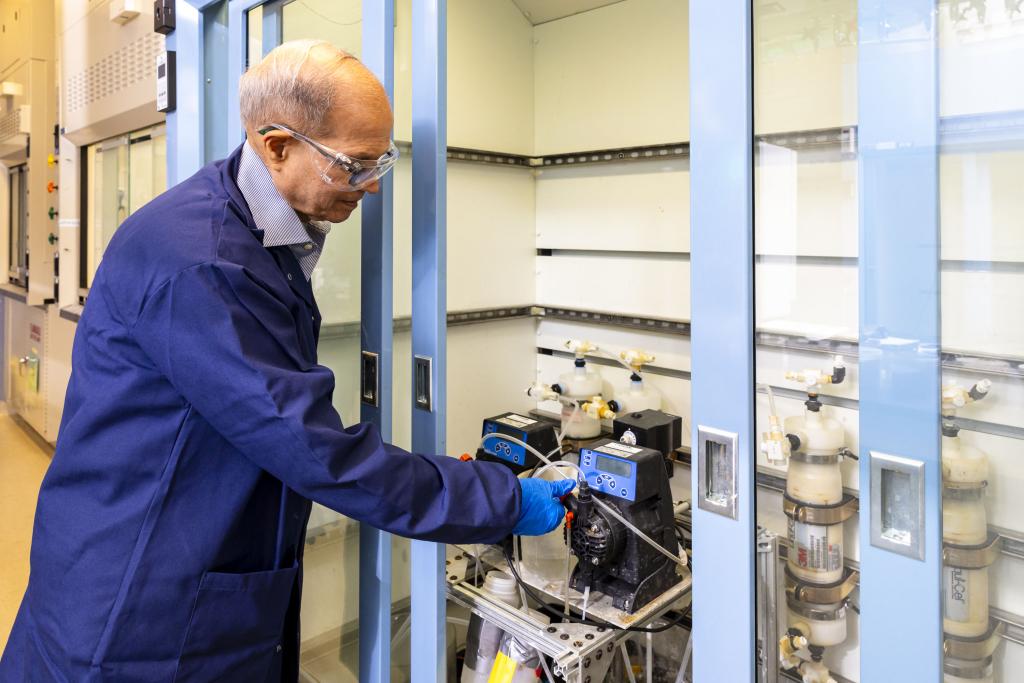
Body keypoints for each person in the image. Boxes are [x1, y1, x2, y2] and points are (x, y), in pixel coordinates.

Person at [0, 40, 574, 682]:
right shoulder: (207, 265)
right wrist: (499, 499)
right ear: (277, 146)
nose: (372, 185)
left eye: (380, 160)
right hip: (140, 611)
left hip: (168, 564)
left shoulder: (251, 228)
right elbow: (319, 452)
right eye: (354, 165)